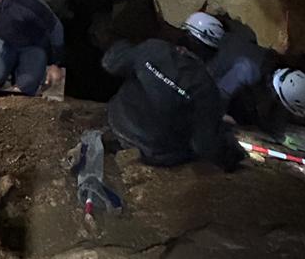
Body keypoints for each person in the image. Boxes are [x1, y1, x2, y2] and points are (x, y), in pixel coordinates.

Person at [102, 14, 245, 171]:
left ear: (184, 34)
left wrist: (126, 47)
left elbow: (110, 63)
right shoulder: (204, 86)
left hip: (119, 122)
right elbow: (204, 144)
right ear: (211, 52)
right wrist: (233, 157)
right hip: (156, 150)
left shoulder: (154, 48)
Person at [206, 18, 305, 141]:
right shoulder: (247, 69)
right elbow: (218, 96)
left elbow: (276, 111)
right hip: (208, 67)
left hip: (227, 62)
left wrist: (275, 132)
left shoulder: (276, 69)